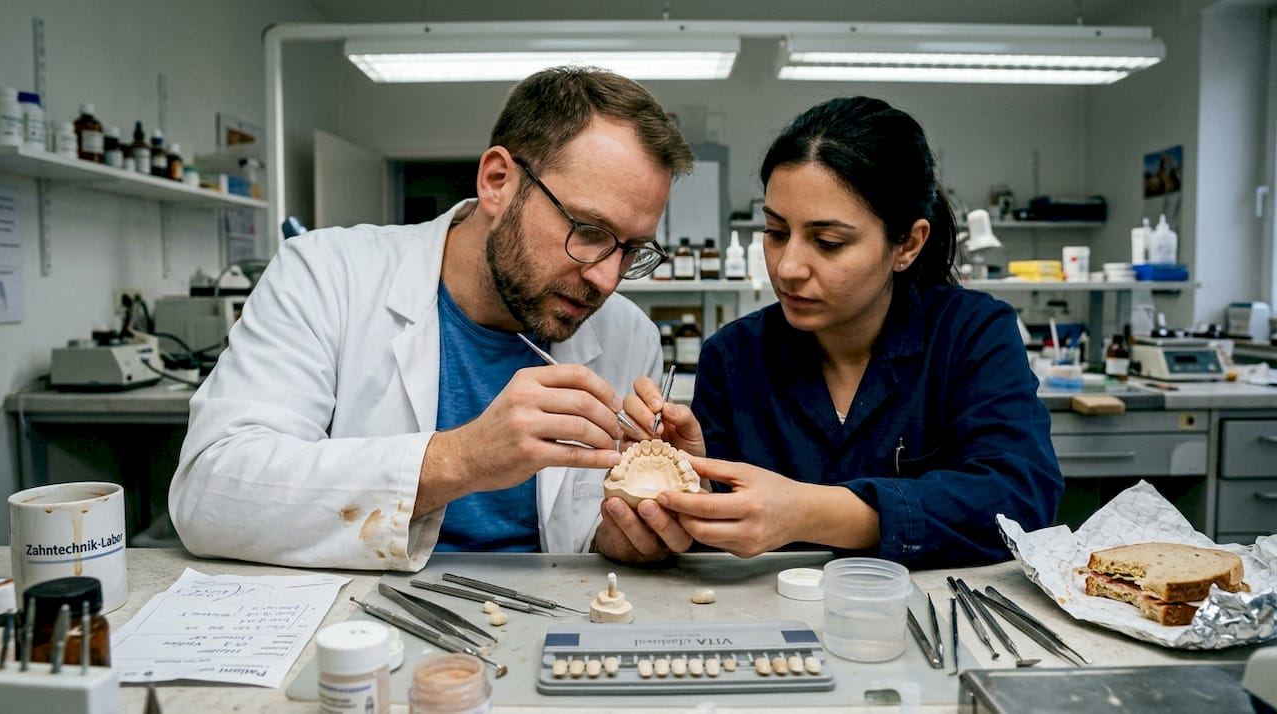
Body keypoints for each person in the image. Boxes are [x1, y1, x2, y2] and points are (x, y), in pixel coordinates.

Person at [169, 67, 694, 570]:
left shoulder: (628, 334)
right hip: (360, 619)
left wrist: (628, 534)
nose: (607, 279)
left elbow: (584, 534)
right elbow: (211, 494)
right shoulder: (325, 274)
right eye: (588, 230)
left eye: (631, 250)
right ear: (497, 181)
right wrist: (461, 459)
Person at [617, 96, 1063, 568]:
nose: (787, 268)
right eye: (775, 232)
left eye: (828, 243)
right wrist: (689, 490)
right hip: (772, 626)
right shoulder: (734, 356)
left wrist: (811, 513)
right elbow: (711, 550)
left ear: (907, 245)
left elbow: (1020, 499)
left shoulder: (970, 334)